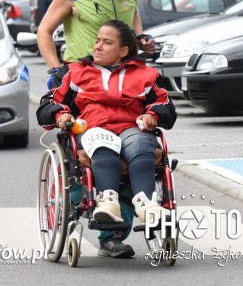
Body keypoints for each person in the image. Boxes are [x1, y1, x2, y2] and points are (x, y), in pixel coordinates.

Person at [36, 20, 176, 258]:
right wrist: (61, 114)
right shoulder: (75, 72)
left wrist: (152, 114)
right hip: (93, 129)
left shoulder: (146, 74)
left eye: (107, 42)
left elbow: (165, 105)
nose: (98, 46)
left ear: (123, 51)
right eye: (97, 41)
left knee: (142, 145)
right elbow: (49, 103)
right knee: (104, 144)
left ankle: (147, 205)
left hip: (131, 128)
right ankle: (107, 203)